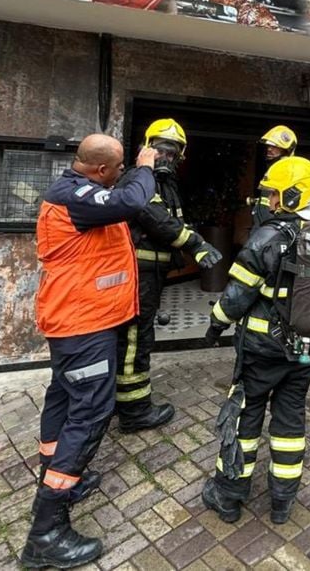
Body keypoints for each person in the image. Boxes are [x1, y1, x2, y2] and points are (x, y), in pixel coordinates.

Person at [22, 135, 157, 568]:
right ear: (100, 170)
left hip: (78, 320)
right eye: (116, 170)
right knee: (91, 412)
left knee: (62, 396)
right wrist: (147, 165)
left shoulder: (81, 192)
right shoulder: (77, 196)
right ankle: (47, 532)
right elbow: (133, 201)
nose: (119, 177)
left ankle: (56, 475)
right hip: (83, 325)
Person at [200, 156, 310, 525]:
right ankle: (282, 502)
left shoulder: (266, 237)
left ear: (291, 196)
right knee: (290, 421)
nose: (269, 202)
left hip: (262, 350)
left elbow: (235, 297)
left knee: (244, 417)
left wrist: (215, 326)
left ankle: (228, 497)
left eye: (275, 195)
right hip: (306, 350)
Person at [115, 119, 223, 432]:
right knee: (136, 339)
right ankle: (134, 411)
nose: (165, 156)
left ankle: (120, 401)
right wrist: (196, 244)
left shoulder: (165, 183)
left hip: (152, 273)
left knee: (136, 336)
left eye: (172, 152)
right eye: (160, 149)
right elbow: (156, 220)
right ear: (145, 148)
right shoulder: (138, 178)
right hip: (139, 273)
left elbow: (173, 221)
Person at [250, 125, 298, 227]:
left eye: (275, 146)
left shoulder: (287, 170)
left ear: (287, 149)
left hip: (271, 225)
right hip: (263, 223)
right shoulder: (275, 168)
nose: (269, 149)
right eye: (269, 146)